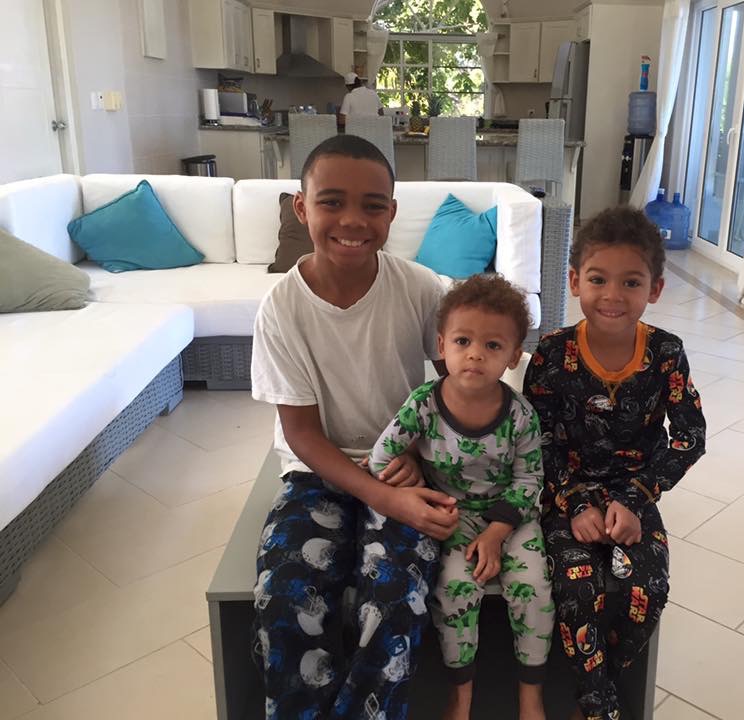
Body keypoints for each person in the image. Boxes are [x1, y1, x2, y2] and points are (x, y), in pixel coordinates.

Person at [250, 134, 460, 720]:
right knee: (283, 597)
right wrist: (383, 497)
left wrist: (420, 451)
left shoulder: (421, 289)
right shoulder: (281, 308)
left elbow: (460, 392)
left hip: (401, 467)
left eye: (372, 206)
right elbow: (301, 434)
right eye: (331, 202)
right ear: (302, 207)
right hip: (315, 472)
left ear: (392, 213)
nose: (352, 221)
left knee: (396, 599)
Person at [523, 206, 707, 720]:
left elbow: (689, 437)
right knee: (577, 587)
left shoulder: (666, 353)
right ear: (574, 281)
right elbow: (535, 439)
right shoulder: (552, 353)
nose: (612, 295)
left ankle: (596, 689)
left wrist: (633, 499)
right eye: (598, 279)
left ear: (655, 289)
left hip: (635, 495)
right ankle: (598, 706)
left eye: (631, 282)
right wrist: (575, 502)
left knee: (647, 590)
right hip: (566, 495)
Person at [369, 275, 554, 720]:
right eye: (463, 341)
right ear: (442, 345)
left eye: (493, 345)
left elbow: (530, 480)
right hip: (452, 516)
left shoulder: (521, 415)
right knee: (453, 590)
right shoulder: (423, 405)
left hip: (512, 518)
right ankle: (461, 695)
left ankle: (531, 695)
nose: (475, 354)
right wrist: (414, 478)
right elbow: (380, 459)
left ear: (513, 355)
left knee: (533, 588)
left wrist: (496, 533)